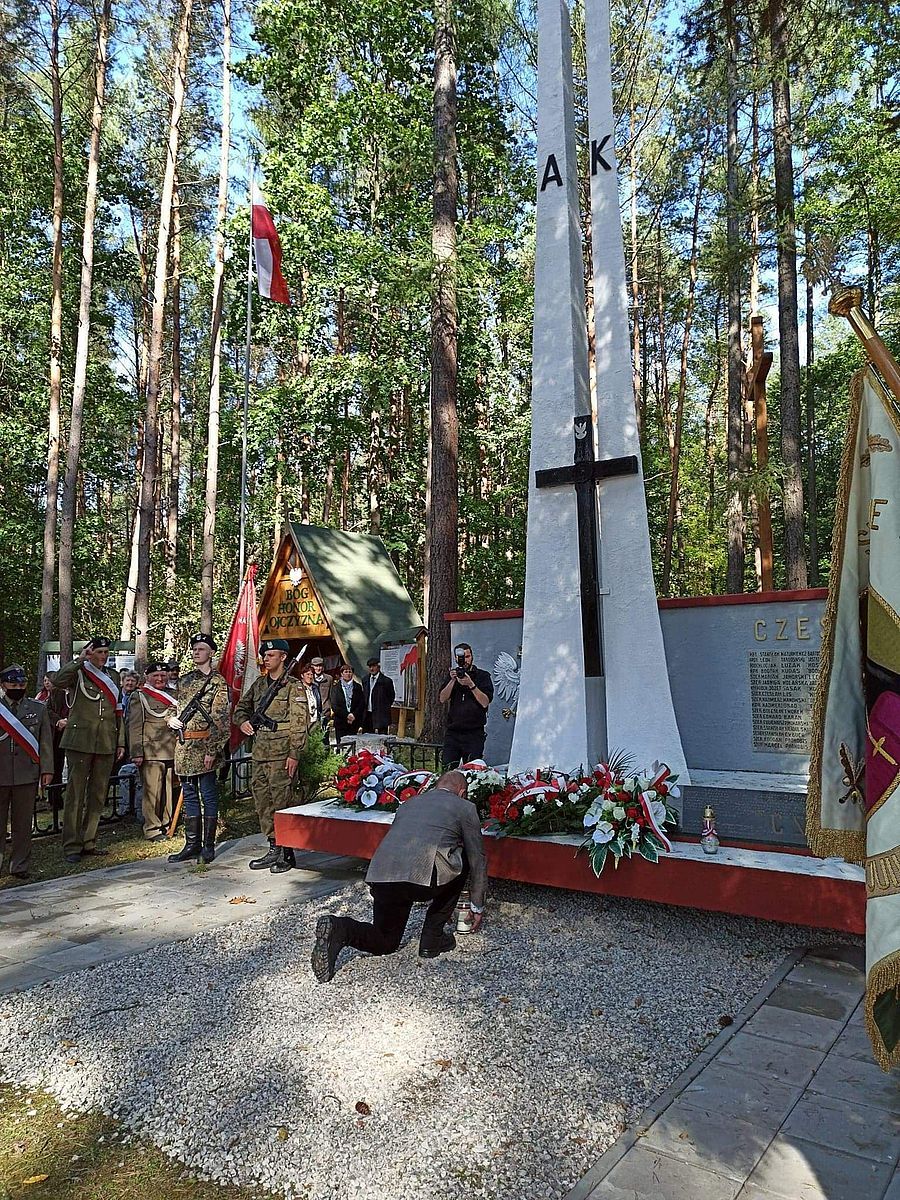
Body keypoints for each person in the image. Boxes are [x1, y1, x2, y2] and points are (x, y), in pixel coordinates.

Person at [311, 770, 486, 982]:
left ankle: (341, 929)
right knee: (464, 860)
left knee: (385, 941)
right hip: (422, 880)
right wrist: (477, 905)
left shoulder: (410, 803)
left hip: (383, 873)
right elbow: (478, 858)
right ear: (462, 792)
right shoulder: (465, 807)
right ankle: (432, 938)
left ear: (436, 786)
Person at [235, 639, 311, 874]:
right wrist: (243, 723)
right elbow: (240, 709)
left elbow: (300, 722)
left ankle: (287, 853)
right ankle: (273, 846)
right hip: (260, 752)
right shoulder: (259, 685)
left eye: (271, 655)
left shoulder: (293, 686)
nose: (266, 659)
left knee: (283, 802)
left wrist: (294, 754)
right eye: (265, 655)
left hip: (282, 753)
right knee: (263, 801)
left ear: (283, 657)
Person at [54, 636, 125, 862]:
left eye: (106, 652)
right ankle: (71, 845)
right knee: (75, 795)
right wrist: (79, 659)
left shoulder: (112, 677)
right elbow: (57, 680)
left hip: (105, 741)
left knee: (98, 794)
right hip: (79, 741)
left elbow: (118, 713)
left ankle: (89, 840)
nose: (103, 656)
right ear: (90, 652)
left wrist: (120, 741)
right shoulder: (78, 673)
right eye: (99, 652)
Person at [168, 633, 231, 865]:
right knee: (190, 797)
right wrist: (169, 720)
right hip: (185, 747)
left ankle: (208, 845)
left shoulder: (218, 683)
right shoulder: (184, 681)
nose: (196, 652)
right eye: (194, 648)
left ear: (211, 653)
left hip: (205, 746)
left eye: (202, 649)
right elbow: (173, 707)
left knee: (208, 795)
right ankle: (191, 844)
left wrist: (212, 751)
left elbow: (222, 720)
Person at [0, 665, 53, 879]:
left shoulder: (37, 708)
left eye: (21, 685)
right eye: (13, 685)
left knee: (23, 824)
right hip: (0, 773)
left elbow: (45, 742)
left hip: (26, 774)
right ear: (3, 685)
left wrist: (47, 769)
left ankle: (19, 865)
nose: (18, 688)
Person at [128, 659, 178, 841]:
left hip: (171, 749)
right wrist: (137, 752)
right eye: (155, 675)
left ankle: (166, 823)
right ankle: (152, 828)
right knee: (153, 793)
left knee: (168, 791)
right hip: (151, 752)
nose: (160, 678)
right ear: (147, 677)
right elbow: (134, 726)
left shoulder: (174, 694)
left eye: (163, 675)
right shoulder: (140, 696)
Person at [439, 642, 494, 767]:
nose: (465, 660)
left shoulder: (482, 676)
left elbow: (485, 702)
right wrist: (453, 680)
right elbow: (442, 698)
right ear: (456, 658)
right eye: (462, 657)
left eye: (468, 656)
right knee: (448, 769)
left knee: (472, 770)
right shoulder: (452, 676)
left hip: (474, 733)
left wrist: (471, 684)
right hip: (453, 732)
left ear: (472, 656)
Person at [330, 663, 365, 745]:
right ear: (342, 674)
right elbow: (334, 705)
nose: (348, 674)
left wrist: (353, 715)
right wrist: (347, 715)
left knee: (352, 745)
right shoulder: (335, 688)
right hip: (341, 721)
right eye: (346, 672)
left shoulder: (358, 687)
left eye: (350, 672)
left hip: (354, 722)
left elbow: (361, 704)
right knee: (341, 745)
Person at [362, 656, 395, 734]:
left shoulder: (386, 681)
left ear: (378, 667)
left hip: (381, 713)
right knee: (367, 735)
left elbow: (391, 696)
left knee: (382, 735)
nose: (371, 669)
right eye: (370, 666)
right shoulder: (365, 679)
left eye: (374, 666)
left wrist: (384, 706)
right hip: (368, 712)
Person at [310, 656, 332, 735]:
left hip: (325, 712)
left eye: (320, 666)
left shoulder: (329, 679)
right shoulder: (309, 678)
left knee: (325, 736)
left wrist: (329, 709)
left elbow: (331, 695)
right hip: (312, 712)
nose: (318, 668)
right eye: (316, 666)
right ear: (312, 667)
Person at [299, 662, 321, 730]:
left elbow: (319, 703)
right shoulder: (298, 688)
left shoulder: (315, 687)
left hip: (315, 720)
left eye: (311, 674)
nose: (310, 676)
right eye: (307, 674)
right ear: (302, 675)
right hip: (303, 721)